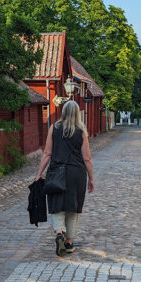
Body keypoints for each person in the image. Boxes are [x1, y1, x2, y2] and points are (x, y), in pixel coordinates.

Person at [35, 100, 95, 256]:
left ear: (63, 112)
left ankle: (59, 233)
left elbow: (47, 153)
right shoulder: (81, 131)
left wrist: (39, 174)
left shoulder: (54, 128)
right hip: (76, 174)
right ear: (77, 113)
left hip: (56, 171)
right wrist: (92, 178)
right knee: (72, 207)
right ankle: (68, 243)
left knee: (57, 204)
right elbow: (87, 158)